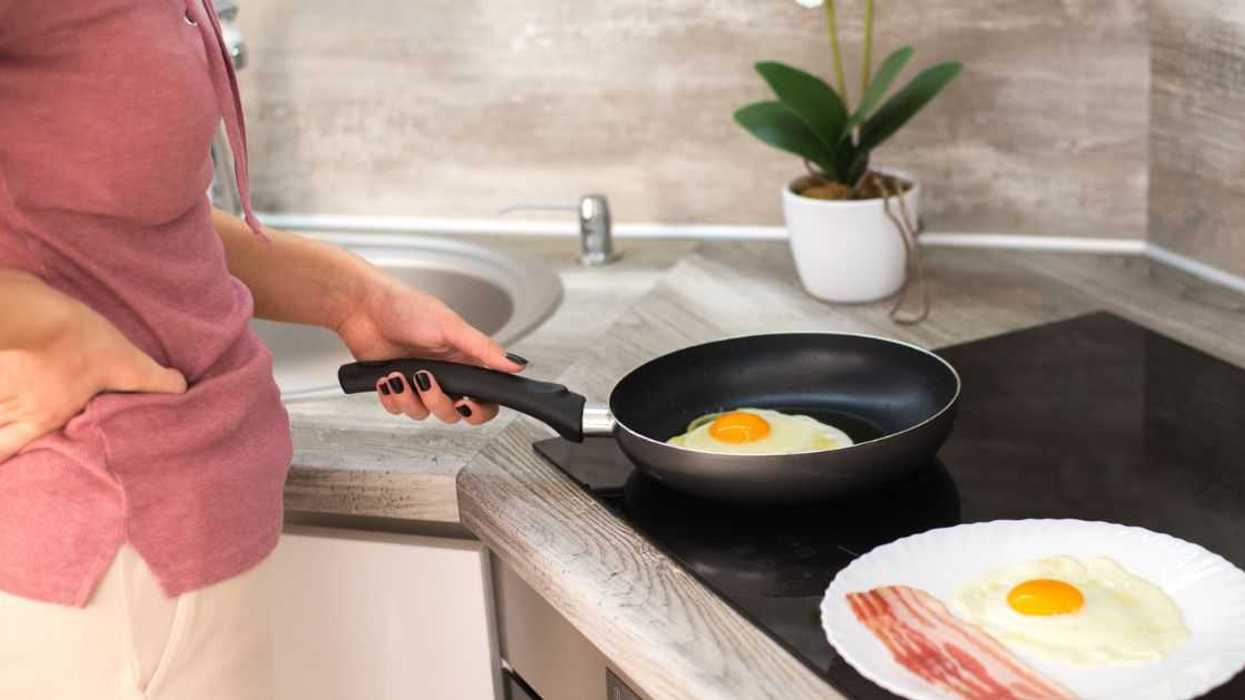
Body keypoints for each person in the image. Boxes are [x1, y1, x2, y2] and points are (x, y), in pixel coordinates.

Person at [0, 1, 523, 697]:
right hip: (99, 556)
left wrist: (350, 297)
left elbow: (123, 225)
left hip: (169, 536)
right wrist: (51, 327)